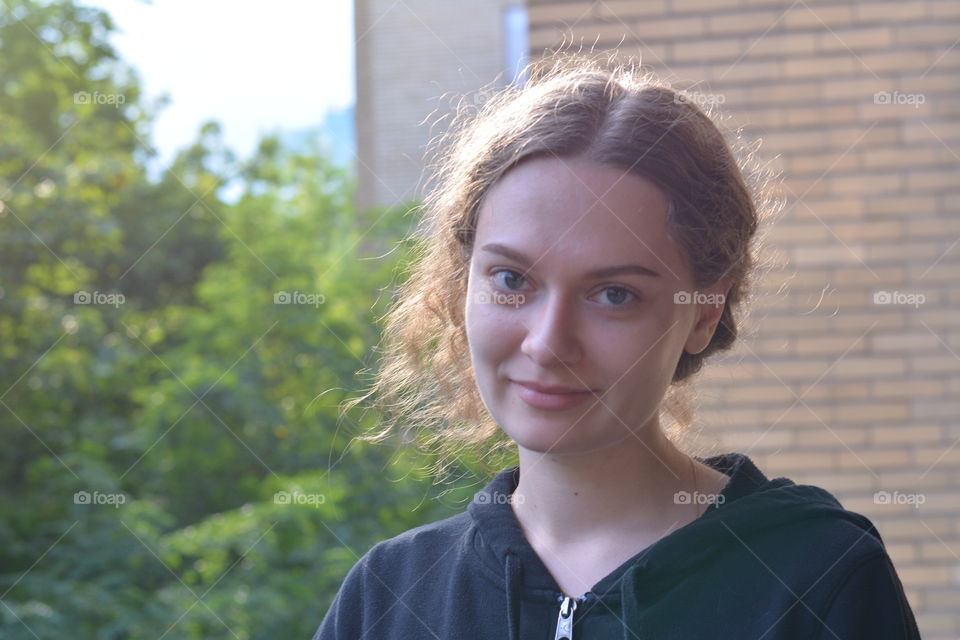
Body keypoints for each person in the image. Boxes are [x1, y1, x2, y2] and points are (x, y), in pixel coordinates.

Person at [312, 52, 921, 640]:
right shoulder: (387, 597)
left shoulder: (816, 578)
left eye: (614, 294)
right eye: (511, 280)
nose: (549, 343)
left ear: (703, 313)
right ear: (459, 282)